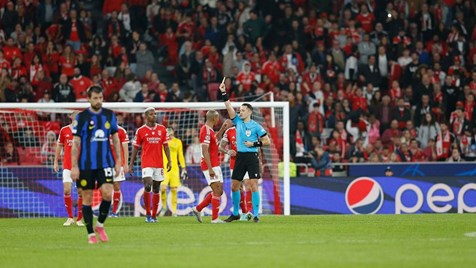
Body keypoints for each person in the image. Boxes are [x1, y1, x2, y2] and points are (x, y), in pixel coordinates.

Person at [71, 86, 122, 244]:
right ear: (89, 98)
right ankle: (90, 234)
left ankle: (100, 225)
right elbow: (76, 143)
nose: (98, 101)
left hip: (105, 163)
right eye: (95, 98)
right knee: (87, 198)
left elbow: (115, 139)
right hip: (86, 165)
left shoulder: (108, 115)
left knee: (108, 193)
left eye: (100, 98)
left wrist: (119, 161)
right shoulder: (82, 117)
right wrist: (74, 166)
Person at [219, 80, 271, 223]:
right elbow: (228, 106)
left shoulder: (256, 126)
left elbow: (267, 141)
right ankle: (235, 213)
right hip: (240, 157)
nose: (239, 112)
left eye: (242, 110)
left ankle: (255, 215)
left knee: (253, 185)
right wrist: (223, 92)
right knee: (235, 185)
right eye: (239, 110)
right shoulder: (237, 122)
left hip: (252, 156)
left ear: (249, 112)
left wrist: (254, 143)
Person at [129, 107, 171, 223]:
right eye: (152, 114)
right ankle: (147, 214)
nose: (154, 116)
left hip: (159, 163)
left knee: (156, 189)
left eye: (155, 114)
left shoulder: (162, 129)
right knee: (148, 185)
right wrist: (131, 164)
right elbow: (135, 148)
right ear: (146, 116)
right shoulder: (140, 131)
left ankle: (153, 215)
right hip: (147, 163)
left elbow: (166, 146)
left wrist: (170, 161)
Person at [191, 110, 226, 224]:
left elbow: (214, 142)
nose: (218, 119)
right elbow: (205, 150)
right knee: (216, 191)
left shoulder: (209, 130)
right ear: (213, 118)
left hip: (215, 163)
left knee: (219, 191)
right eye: (217, 117)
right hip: (209, 165)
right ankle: (215, 219)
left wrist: (221, 130)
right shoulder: (205, 130)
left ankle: (197, 209)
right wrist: (210, 168)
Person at [218, 119, 253, 221]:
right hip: (235, 164)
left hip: (247, 161)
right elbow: (221, 147)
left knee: (248, 184)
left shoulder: (249, 130)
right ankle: (240, 212)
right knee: (237, 188)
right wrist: (228, 151)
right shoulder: (229, 131)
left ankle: (249, 212)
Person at [53, 111, 84, 227]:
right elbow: (59, 146)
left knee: (81, 192)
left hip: (81, 166)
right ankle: (70, 217)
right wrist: (56, 162)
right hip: (67, 165)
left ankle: (79, 219)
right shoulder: (64, 130)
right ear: (71, 117)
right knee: (67, 190)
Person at [159, 127, 187, 217]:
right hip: (164, 168)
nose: (168, 132)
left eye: (169, 131)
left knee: (174, 190)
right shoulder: (162, 141)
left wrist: (183, 168)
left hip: (174, 169)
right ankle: (164, 207)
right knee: (162, 188)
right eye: (166, 131)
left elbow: (180, 155)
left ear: (173, 132)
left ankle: (174, 211)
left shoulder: (178, 142)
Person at [110, 125, 129, 217]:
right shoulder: (101, 129)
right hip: (104, 163)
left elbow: (125, 148)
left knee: (116, 186)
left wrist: (125, 164)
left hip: (118, 163)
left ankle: (114, 212)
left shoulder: (121, 130)